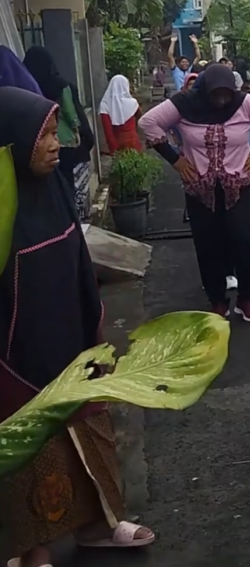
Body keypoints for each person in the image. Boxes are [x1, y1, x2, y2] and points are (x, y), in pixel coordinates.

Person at [0, 86, 158, 567]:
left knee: (92, 436)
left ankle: (100, 525)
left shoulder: (56, 192)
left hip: (73, 339)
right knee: (35, 453)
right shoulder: (4, 210)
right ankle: (33, 552)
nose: (55, 144)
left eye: (54, 132)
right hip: (18, 356)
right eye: (41, 135)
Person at [140, 64, 250, 321]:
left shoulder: (244, 103)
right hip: (199, 189)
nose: (222, 101)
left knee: (246, 241)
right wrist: (175, 160)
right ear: (205, 90)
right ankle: (217, 300)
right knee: (208, 244)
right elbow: (148, 122)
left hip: (239, 186)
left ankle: (247, 298)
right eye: (216, 95)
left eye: (226, 95)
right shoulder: (185, 103)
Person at [23, 46, 95, 222]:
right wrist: (77, 128)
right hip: (65, 143)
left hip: (37, 146)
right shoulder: (61, 85)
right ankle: (72, 220)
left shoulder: (27, 85)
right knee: (69, 183)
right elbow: (70, 112)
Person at [98, 74, 143, 154]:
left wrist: (114, 150)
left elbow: (108, 132)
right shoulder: (133, 103)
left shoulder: (105, 105)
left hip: (118, 144)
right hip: (133, 142)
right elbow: (140, 117)